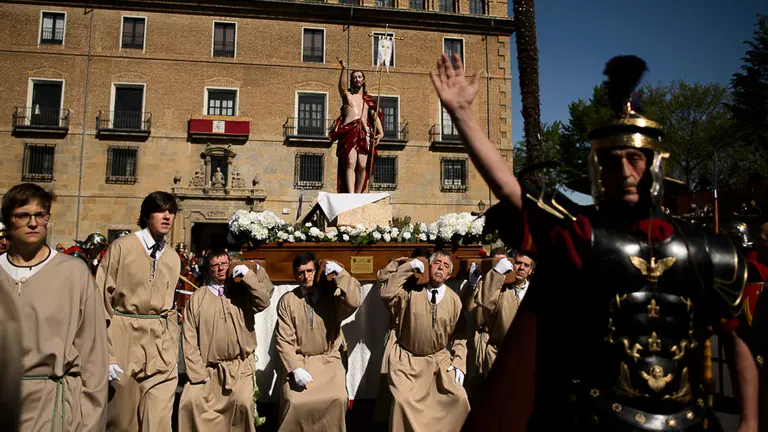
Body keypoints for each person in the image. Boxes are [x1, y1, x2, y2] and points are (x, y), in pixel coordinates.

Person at [431, 54, 757, 431]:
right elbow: (510, 190)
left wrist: (749, 421)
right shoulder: (580, 236)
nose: (624, 172)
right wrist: (462, 115)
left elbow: (737, 339)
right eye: (612, 161)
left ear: (652, 164)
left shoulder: (708, 250)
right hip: (600, 420)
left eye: (634, 159)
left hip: (689, 423)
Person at [0, 183, 108, 431]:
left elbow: (94, 355)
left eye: (40, 215)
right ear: (7, 221)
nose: (33, 222)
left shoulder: (74, 272)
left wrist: (90, 421)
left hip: (53, 407)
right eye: (23, 215)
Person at [97, 191, 181, 431]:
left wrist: (172, 348)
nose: (166, 216)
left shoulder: (174, 258)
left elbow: (172, 308)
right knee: (123, 419)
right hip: (123, 334)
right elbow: (101, 298)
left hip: (159, 343)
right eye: (160, 211)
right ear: (146, 216)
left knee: (160, 418)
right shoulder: (122, 248)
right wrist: (107, 354)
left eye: (171, 212)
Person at [178, 249, 274, 431]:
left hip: (240, 369)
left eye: (224, 264)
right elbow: (189, 338)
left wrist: (249, 275)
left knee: (243, 404)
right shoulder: (199, 297)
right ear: (209, 270)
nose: (221, 269)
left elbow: (264, 300)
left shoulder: (241, 292)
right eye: (215, 265)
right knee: (188, 402)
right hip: (208, 370)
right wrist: (197, 374)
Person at [381, 250, 470, 432]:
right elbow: (386, 294)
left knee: (460, 398)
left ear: (448, 274)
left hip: (438, 362)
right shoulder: (409, 292)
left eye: (446, 266)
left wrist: (460, 362)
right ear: (429, 267)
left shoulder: (454, 300)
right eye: (437, 263)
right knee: (402, 402)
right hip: (406, 361)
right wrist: (408, 268)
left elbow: (461, 335)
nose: (440, 268)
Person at [275, 252, 361, 431]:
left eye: (309, 271)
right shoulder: (288, 301)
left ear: (316, 271)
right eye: (301, 272)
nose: (306, 276)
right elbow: (284, 340)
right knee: (295, 402)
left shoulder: (332, 297)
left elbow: (354, 301)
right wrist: (295, 368)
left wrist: (341, 273)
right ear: (295, 275)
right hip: (301, 363)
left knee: (338, 398)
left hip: (328, 361)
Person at [372, 245, 431, 428]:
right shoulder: (399, 288)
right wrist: (401, 264)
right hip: (397, 339)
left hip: (422, 344)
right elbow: (383, 283)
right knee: (392, 388)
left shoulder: (431, 289)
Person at [471, 250, 534, 378]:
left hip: (525, 354)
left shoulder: (534, 292)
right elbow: (485, 302)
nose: (521, 267)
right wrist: (496, 275)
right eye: (518, 263)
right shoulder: (501, 290)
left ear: (531, 270)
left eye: (526, 265)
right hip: (498, 352)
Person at [330, 58, 384, 193]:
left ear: (363, 80)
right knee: (350, 163)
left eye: (359, 77)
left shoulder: (368, 100)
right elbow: (341, 87)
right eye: (354, 77)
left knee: (362, 165)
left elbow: (374, 117)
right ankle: (351, 194)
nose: (357, 79)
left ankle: (359, 194)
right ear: (352, 80)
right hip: (349, 131)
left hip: (364, 133)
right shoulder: (348, 96)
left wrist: (381, 132)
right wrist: (343, 70)